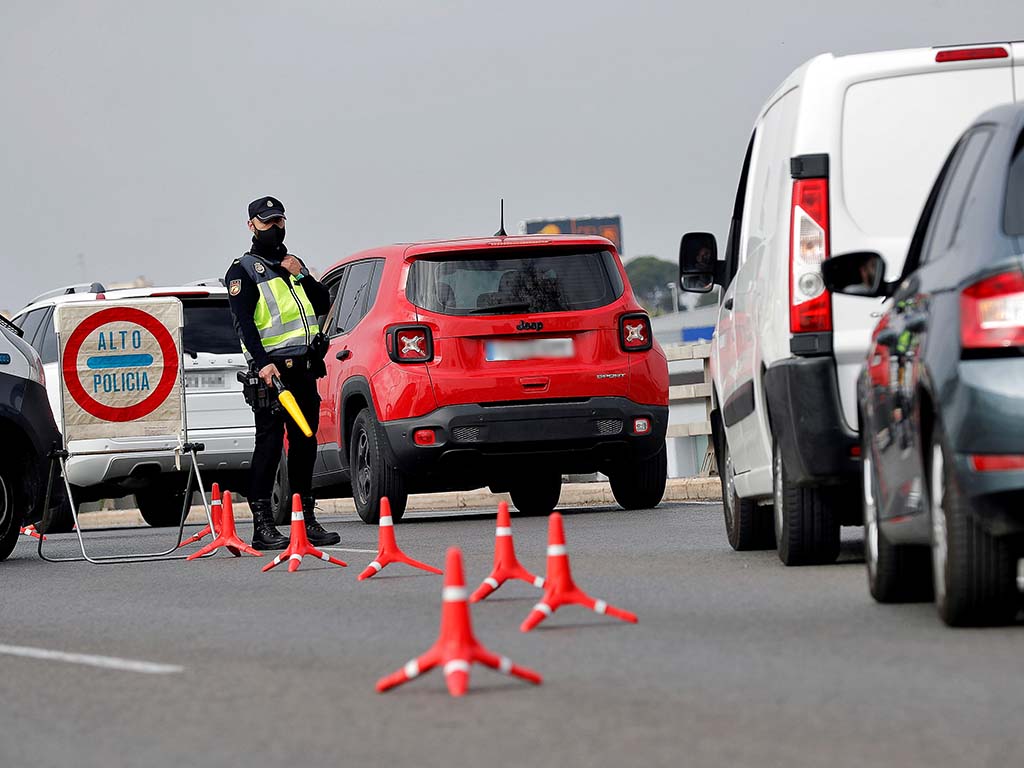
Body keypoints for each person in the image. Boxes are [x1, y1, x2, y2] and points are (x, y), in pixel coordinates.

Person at [225, 196, 339, 550]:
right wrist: (263, 365)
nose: (274, 228)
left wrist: (301, 275)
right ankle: (262, 524)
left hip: (304, 370)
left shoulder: (293, 264)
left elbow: (323, 302)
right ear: (251, 226)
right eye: (266, 222)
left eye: (278, 221)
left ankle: (305, 519)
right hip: (273, 374)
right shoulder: (243, 271)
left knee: (305, 443)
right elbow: (245, 325)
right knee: (270, 446)